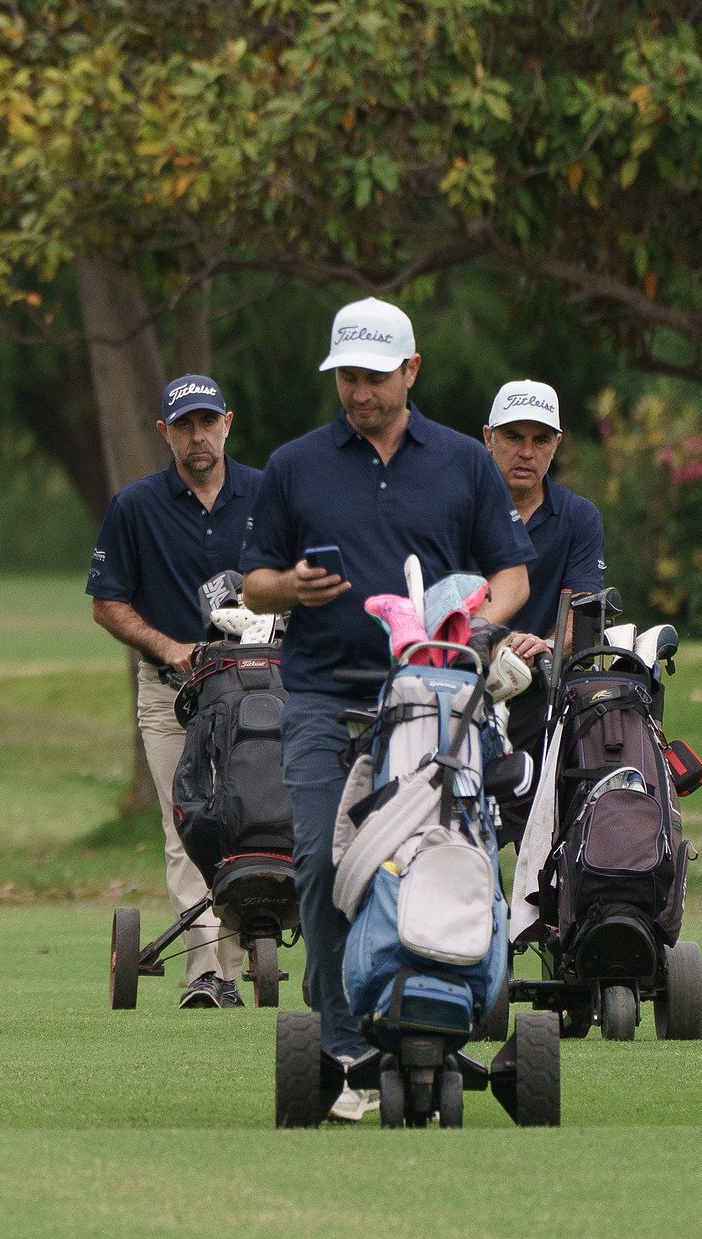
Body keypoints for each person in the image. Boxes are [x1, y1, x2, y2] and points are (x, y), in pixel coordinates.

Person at [240, 297, 533, 1118]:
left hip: (437, 697)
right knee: (320, 861)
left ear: (411, 371)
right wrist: (289, 587)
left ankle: (438, 1012)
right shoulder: (295, 464)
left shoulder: (464, 462)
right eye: (347, 377)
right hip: (324, 696)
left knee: (452, 851)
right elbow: (253, 581)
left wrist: (473, 630)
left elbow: (511, 575)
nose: (359, 392)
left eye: (373, 377)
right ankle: (346, 1046)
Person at [87, 374, 262, 1008]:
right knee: (187, 826)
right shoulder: (136, 506)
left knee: (251, 823)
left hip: (254, 690)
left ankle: (233, 966)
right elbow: (108, 604)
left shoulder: (266, 494)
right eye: (184, 426)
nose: (197, 436)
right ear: (165, 432)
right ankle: (206, 975)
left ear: (227, 423)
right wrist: (169, 647)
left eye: (207, 422)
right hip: (171, 691)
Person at [482, 380, 606, 835]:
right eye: (513, 436)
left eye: (540, 439)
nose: (526, 452)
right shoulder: (461, 510)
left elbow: (583, 608)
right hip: (469, 688)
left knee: (547, 844)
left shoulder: (579, 517)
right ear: (488, 438)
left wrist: (547, 644)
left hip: (547, 698)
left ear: (557, 444)